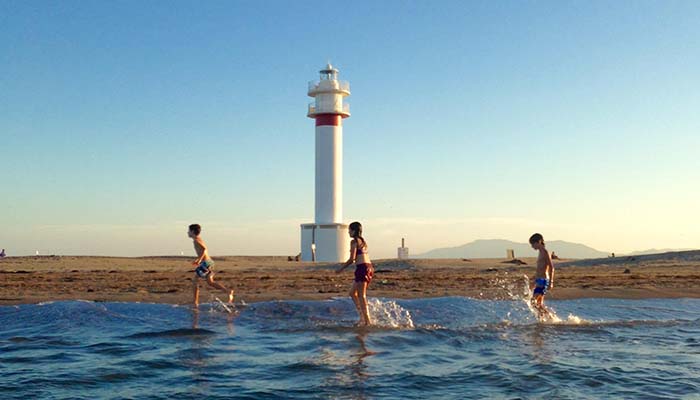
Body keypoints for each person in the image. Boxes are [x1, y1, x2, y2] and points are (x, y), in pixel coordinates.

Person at [337, 222, 374, 326]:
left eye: (349, 230)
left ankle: (367, 321)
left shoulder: (354, 242)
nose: (348, 232)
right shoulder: (363, 241)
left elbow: (352, 259)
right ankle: (362, 317)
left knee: (362, 295)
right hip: (368, 268)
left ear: (354, 231)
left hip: (363, 269)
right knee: (352, 293)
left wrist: (341, 268)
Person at [188, 224, 234, 307]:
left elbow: (204, 249)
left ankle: (195, 302)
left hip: (206, 263)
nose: (187, 232)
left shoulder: (196, 240)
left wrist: (199, 259)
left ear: (192, 231)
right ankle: (227, 291)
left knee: (195, 281)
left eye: (189, 231)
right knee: (210, 282)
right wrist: (199, 259)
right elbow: (203, 250)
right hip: (209, 262)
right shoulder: (197, 239)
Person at [529, 233, 554, 320]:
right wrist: (534, 281)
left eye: (533, 244)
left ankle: (551, 318)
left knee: (533, 302)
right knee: (539, 304)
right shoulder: (540, 252)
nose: (532, 246)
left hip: (543, 281)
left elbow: (551, 267)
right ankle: (542, 320)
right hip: (539, 280)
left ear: (539, 242)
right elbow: (539, 269)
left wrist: (551, 282)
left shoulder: (545, 252)